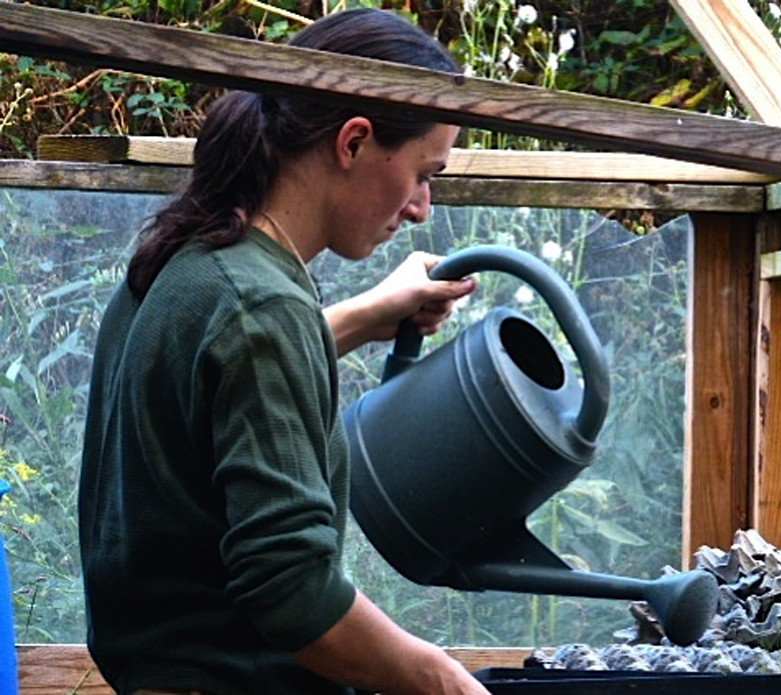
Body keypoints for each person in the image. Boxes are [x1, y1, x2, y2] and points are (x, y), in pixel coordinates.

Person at [78, 8, 491, 695]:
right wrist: (449, 681)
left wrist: (364, 316)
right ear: (353, 141)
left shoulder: (182, 260)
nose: (422, 205)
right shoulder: (260, 306)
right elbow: (292, 590)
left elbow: (213, 378)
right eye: (425, 171)